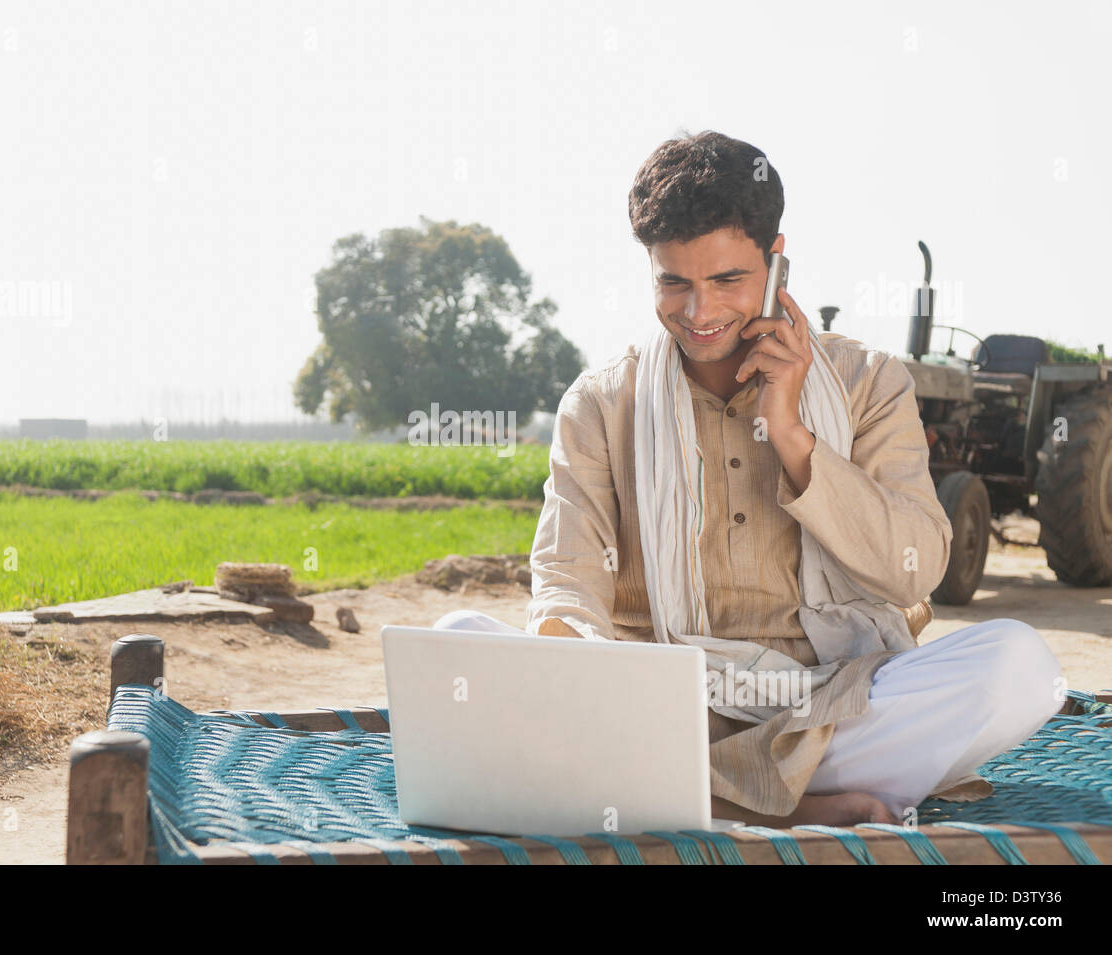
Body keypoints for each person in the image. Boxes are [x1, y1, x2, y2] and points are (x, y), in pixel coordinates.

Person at [432, 130, 1064, 828]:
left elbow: (912, 569)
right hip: (659, 718)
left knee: (1018, 665)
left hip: (831, 712)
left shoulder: (868, 382)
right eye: (675, 282)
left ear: (775, 263)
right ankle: (782, 807)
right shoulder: (601, 402)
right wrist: (589, 689)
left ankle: (681, 799)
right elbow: (567, 584)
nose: (698, 313)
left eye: (727, 280)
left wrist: (794, 434)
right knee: (458, 638)